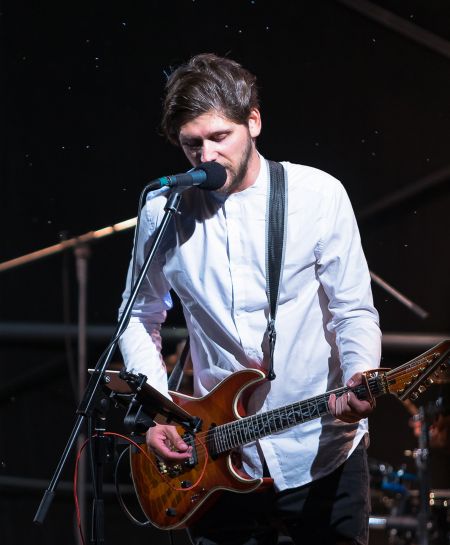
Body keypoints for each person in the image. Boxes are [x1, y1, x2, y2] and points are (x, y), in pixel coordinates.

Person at [119, 53, 381, 545]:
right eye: (192, 144)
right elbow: (138, 315)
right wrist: (161, 411)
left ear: (253, 122)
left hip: (320, 452)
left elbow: (352, 310)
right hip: (215, 459)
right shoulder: (163, 211)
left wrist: (359, 375)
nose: (206, 156)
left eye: (220, 137)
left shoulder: (318, 195)